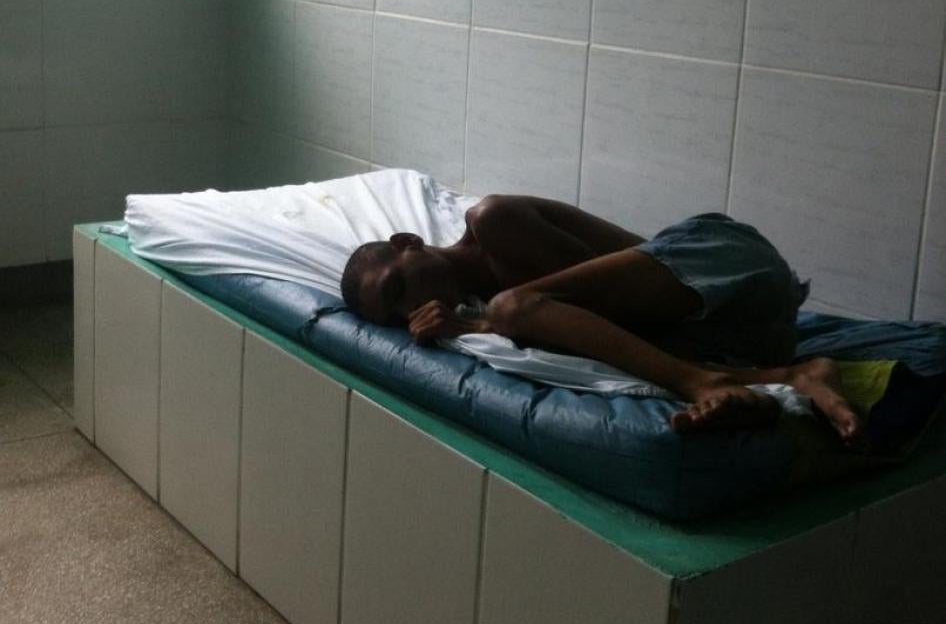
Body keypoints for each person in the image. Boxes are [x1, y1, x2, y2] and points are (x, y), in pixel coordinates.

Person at [340, 194, 863, 443]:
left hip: (728, 264)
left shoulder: (491, 222)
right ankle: (795, 376)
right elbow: (614, 338)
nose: (413, 309)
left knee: (513, 308)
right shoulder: (479, 310)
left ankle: (703, 382)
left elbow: (601, 311)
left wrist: (482, 327)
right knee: (518, 315)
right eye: (398, 314)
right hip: (744, 332)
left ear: (408, 243)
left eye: (399, 287)